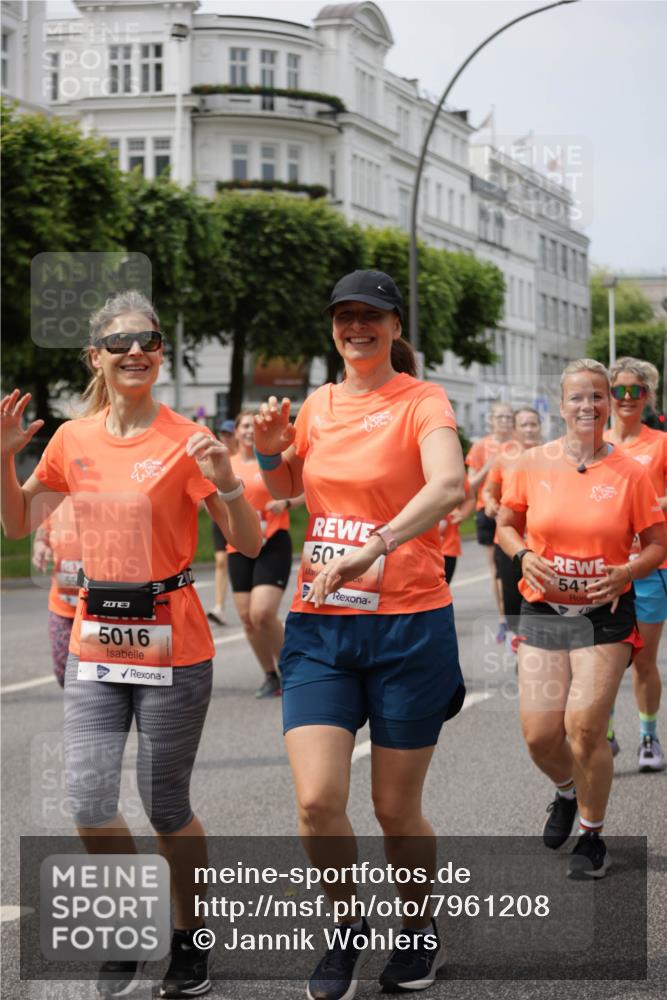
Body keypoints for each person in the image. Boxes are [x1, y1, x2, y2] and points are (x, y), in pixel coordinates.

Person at [0, 290, 262, 1000]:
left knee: (164, 805)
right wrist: (2, 460)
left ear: (159, 353)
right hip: (95, 637)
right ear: (97, 358)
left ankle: (190, 935)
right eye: (119, 343)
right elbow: (20, 523)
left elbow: (247, 542)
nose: (135, 351)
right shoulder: (71, 440)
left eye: (147, 339)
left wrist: (229, 482)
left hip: (173, 640)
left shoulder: (186, 438)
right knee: (87, 799)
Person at [253, 269, 466, 999]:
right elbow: (288, 490)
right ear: (333, 328)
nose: (357, 327)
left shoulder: (422, 401)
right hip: (320, 626)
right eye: (345, 316)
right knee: (316, 799)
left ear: (394, 327)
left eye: (371, 316)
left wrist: (374, 544)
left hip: (408, 622)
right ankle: (345, 927)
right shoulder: (317, 404)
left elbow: (447, 487)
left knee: (392, 808)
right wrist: (270, 452)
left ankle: (417, 930)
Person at [497, 359, 666, 880]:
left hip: (605, 612)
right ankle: (567, 793)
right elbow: (506, 524)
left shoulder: (630, 473)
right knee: (539, 733)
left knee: (584, 726)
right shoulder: (532, 463)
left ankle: (592, 836)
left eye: (598, 396)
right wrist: (523, 556)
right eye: (577, 397)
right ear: (561, 403)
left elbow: (659, 543)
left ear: (609, 401)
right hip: (545, 609)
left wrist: (628, 571)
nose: (588, 406)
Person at [605, 357, 667, 770]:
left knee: (643, 660)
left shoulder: (661, 444)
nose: (627, 398)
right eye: (619, 390)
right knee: (601, 658)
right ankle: (602, 732)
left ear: (647, 397)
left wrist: (646, 507)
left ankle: (648, 738)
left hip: (647, 569)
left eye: (636, 391)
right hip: (600, 569)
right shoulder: (592, 441)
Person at [226, 410, 303, 698]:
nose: (248, 430)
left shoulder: (271, 461)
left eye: (252, 426)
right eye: (244, 425)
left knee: (263, 613)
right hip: (238, 545)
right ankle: (270, 675)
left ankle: (293, 669)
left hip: (272, 541)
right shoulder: (228, 465)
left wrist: (286, 504)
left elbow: (302, 489)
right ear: (235, 432)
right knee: (247, 618)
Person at [483, 408, 542, 646]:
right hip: (509, 543)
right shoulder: (504, 458)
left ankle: (538, 647)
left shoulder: (553, 456)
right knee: (513, 602)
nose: (529, 429)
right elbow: (489, 491)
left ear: (540, 427)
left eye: (533, 424)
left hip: (541, 544)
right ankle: (518, 648)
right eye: (524, 425)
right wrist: (489, 504)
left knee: (541, 603)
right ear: (515, 430)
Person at [466, 402, 515, 643]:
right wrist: (490, 463)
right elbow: (470, 485)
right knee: (496, 569)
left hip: (513, 511)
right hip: (487, 512)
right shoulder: (480, 446)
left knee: (516, 565)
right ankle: (504, 617)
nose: (505, 421)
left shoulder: (518, 446)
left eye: (508, 417)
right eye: (500, 417)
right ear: (491, 421)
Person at [31, 496, 82, 687]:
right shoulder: (54, 502)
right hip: (63, 607)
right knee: (63, 669)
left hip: (97, 611)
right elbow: (41, 537)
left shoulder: (104, 500)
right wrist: (40, 548)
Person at [207, 418, 238, 627]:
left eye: (229, 434)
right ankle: (219, 607)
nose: (225, 437)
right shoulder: (215, 459)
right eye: (223, 434)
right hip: (219, 518)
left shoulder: (240, 458)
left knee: (236, 561)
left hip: (239, 521)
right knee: (220, 561)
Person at [439, 478, 474, 585]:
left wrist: (462, 514)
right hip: (419, 548)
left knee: (442, 590)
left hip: (448, 546)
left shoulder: (453, 470)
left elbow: (469, 498)